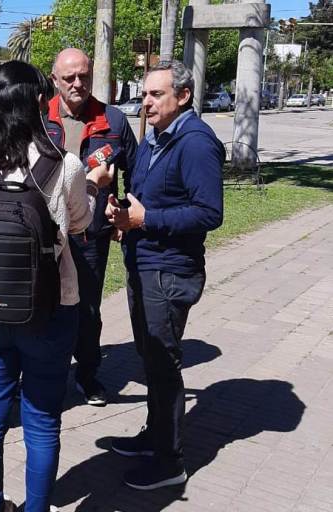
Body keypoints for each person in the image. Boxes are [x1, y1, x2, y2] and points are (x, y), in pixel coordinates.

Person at [0, 60, 109, 512]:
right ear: (41, 103)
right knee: (42, 420)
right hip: (52, 307)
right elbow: (79, 225)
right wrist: (93, 187)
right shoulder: (65, 165)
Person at [106, 60, 224, 490]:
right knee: (151, 359)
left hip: (169, 270)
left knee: (163, 364)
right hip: (144, 263)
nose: (146, 102)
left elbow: (209, 213)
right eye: (145, 94)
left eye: (156, 94)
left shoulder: (196, 143)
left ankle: (170, 461)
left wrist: (146, 219)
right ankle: (155, 437)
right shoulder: (156, 136)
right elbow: (147, 195)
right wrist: (124, 213)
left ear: (184, 96)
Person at [47, 48, 137, 406]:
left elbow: (134, 170)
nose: (77, 83)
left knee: (87, 310)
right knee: (45, 305)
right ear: (55, 80)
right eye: (69, 77)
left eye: (83, 76)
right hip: (47, 233)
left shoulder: (113, 120)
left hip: (90, 235)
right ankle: (45, 375)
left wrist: (124, 210)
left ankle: (87, 375)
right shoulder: (38, 117)